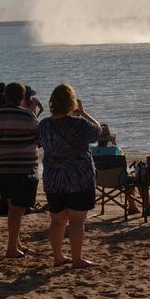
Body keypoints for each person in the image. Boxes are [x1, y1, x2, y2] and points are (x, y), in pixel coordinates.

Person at [37, 83, 102, 268]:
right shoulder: (79, 123)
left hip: (53, 178)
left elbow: (39, 143)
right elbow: (98, 131)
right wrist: (82, 112)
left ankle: (58, 257)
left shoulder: (44, 125)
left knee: (57, 220)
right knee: (76, 220)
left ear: (52, 103)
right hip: (79, 178)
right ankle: (77, 259)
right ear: (71, 103)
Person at [0, 82, 40, 258]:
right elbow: (40, 138)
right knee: (18, 210)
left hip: (1, 167)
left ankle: (16, 244)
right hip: (23, 167)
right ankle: (11, 249)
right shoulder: (28, 116)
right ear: (23, 97)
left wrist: (6, 138)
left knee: (12, 208)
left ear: (4, 96)